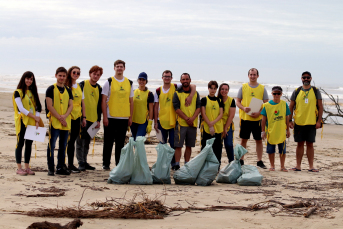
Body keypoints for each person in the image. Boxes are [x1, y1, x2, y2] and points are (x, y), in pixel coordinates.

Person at [154, 70, 196, 170]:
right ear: (162, 78)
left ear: (171, 78)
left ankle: (174, 164)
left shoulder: (176, 87)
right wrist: (155, 122)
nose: (167, 78)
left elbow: (193, 86)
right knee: (162, 145)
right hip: (161, 121)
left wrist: (190, 96)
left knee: (174, 145)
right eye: (165, 76)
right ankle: (163, 165)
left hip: (174, 121)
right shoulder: (158, 90)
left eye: (169, 77)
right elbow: (156, 107)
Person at [102, 60, 133, 170]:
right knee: (108, 142)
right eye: (117, 66)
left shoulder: (129, 82)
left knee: (120, 143)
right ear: (114, 68)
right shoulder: (108, 82)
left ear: (124, 68)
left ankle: (119, 164)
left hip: (123, 117)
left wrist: (130, 117)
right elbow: (104, 100)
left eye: (121, 67)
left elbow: (131, 101)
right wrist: (105, 117)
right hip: (110, 116)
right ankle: (105, 164)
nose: (119, 68)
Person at [289, 71, 323, 172]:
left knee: (310, 144)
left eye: (308, 77)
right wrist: (290, 120)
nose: (306, 79)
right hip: (299, 122)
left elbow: (320, 107)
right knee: (299, 144)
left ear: (311, 78)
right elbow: (291, 106)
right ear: (301, 79)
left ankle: (311, 166)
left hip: (312, 122)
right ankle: (298, 166)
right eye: (304, 78)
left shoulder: (316, 91)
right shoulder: (297, 91)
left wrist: (319, 121)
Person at [236, 68, 269, 168]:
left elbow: (266, 103)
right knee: (243, 140)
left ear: (257, 76)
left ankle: (259, 161)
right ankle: (241, 160)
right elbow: (237, 101)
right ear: (248, 76)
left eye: (254, 74)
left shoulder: (262, 88)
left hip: (258, 120)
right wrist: (243, 108)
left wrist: (259, 113)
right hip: (245, 119)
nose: (252, 76)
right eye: (251, 74)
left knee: (258, 140)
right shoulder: (243, 87)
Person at [12, 71, 42, 175]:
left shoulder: (33, 92)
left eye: (31, 79)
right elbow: (21, 108)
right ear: (23, 79)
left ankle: (27, 167)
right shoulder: (18, 92)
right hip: (22, 121)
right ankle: (19, 168)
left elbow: (38, 107)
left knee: (29, 144)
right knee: (20, 143)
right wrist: (34, 116)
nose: (29, 81)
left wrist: (37, 119)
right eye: (27, 78)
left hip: (32, 121)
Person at [46, 67, 73, 176]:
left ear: (66, 77)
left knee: (63, 145)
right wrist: (60, 118)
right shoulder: (51, 89)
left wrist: (65, 116)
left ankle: (60, 167)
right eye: (60, 75)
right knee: (51, 145)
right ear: (56, 75)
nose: (61, 78)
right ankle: (51, 168)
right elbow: (49, 106)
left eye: (63, 76)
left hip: (66, 123)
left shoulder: (68, 90)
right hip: (55, 122)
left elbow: (71, 105)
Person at [76, 65, 103, 171]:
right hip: (83, 118)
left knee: (87, 142)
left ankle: (85, 161)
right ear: (90, 74)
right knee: (80, 141)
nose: (95, 76)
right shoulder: (82, 85)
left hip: (93, 119)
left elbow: (99, 105)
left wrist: (98, 120)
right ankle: (80, 162)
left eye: (98, 75)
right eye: (94, 74)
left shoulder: (99, 88)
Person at [173, 73, 201, 170]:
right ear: (180, 81)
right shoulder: (177, 93)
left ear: (190, 80)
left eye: (187, 79)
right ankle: (177, 164)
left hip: (192, 124)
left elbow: (198, 107)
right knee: (178, 146)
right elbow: (176, 109)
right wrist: (186, 118)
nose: (185, 81)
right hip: (181, 123)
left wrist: (192, 118)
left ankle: (187, 164)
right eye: (183, 79)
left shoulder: (195, 94)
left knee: (189, 146)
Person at [261, 86, 291, 172]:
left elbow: (287, 117)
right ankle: (272, 165)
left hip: (281, 130)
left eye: (278, 93)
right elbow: (263, 120)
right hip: (271, 131)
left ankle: (282, 166)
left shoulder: (284, 104)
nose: (276, 95)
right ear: (272, 94)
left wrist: (288, 130)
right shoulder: (266, 105)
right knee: (271, 150)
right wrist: (263, 131)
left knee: (282, 150)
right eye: (275, 93)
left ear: (281, 94)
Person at [64, 66, 85, 173]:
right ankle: (65, 164)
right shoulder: (66, 85)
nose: (76, 74)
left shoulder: (80, 86)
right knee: (67, 141)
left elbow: (83, 102)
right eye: (74, 72)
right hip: (67, 116)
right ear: (70, 73)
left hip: (77, 116)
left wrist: (84, 117)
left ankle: (71, 164)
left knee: (73, 140)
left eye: (78, 73)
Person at [200, 81, 223, 164]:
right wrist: (209, 125)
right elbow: (203, 113)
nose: (213, 90)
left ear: (216, 89)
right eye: (211, 88)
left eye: (214, 88)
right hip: (206, 127)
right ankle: (203, 165)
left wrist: (213, 123)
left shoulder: (219, 100)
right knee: (205, 147)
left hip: (217, 127)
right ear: (208, 88)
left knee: (217, 148)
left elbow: (221, 114)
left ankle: (217, 166)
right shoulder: (204, 99)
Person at [131, 72, 154, 140]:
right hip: (133, 121)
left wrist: (150, 123)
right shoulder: (133, 92)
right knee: (134, 140)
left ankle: (138, 150)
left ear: (146, 81)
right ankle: (136, 151)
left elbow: (151, 109)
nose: (141, 81)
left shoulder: (149, 94)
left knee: (139, 140)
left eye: (143, 80)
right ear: (138, 80)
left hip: (143, 122)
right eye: (140, 79)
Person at [217, 83, 236, 163]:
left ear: (228, 91)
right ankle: (217, 165)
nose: (224, 91)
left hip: (227, 125)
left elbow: (231, 116)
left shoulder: (231, 100)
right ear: (219, 90)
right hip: (217, 126)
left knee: (228, 145)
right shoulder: (216, 99)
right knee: (218, 146)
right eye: (222, 89)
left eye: (226, 89)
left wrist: (225, 129)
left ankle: (231, 163)